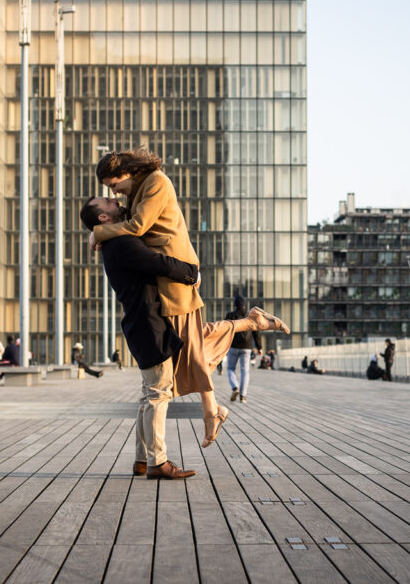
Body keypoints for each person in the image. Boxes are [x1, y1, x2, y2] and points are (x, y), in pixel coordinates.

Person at [87, 149, 289, 446]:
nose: (112, 191)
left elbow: (138, 228)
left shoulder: (156, 182)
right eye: (109, 190)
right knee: (192, 340)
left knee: (189, 343)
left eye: (113, 184)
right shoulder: (136, 191)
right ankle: (247, 330)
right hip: (165, 276)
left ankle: (214, 407)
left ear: (126, 172)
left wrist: (99, 232)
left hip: (174, 271)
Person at [82, 197, 206, 479]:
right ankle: (157, 462)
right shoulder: (121, 244)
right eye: (108, 202)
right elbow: (157, 262)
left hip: (141, 325)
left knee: (148, 395)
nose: (114, 199)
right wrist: (191, 272)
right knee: (157, 395)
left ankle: (142, 460)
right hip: (149, 326)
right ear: (103, 218)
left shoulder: (113, 242)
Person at [224, 295, 260, 403]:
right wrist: (259, 347)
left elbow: (224, 329)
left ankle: (235, 387)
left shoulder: (230, 315)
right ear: (244, 305)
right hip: (247, 347)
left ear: (235, 304)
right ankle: (243, 396)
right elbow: (256, 332)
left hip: (234, 346)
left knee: (230, 368)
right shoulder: (250, 317)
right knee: (245, 371)